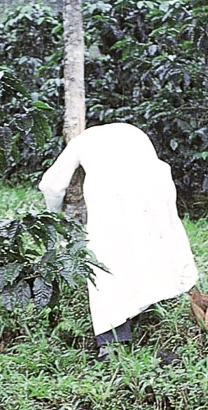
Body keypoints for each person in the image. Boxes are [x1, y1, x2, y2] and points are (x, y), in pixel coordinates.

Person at [38, 122, 198, 357]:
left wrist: (55, 221)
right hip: (156, 188)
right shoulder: (132, 132)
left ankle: (111, 339)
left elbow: (50, 186)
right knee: (152, 246)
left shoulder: (82, 140)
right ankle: (147, 309)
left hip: (112, 191)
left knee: (107, 258)